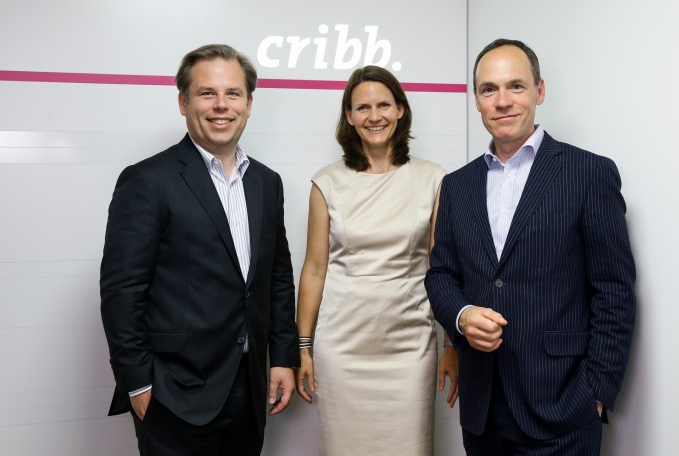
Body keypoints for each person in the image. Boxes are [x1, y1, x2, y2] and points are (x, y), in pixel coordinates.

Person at [425, 38, 636, 455]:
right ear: (477, 100)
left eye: (515, 87)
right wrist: (463, 316)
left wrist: (595, 391)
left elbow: (614, 290)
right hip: (483, 409)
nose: (502, 101)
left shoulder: (589, 172)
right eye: (489, 90)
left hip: (563, 409)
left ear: (539, 91)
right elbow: (441, 274)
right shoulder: (456, 185)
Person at [100, 44, 299, 456]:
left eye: (233, 94)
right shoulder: (147, 180)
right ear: (183, 101)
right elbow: (122, 291)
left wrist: (282, 357)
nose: (221, 105)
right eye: (207, 93)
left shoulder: (267, 182)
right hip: (175, 394)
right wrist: (139, 381)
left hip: (249, 387)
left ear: (249, 103)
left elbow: (277, 279)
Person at [295, 65, 459, 455]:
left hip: (409, 348)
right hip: (342, 348)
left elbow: (445, 269)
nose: (374, 116)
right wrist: (302, 346)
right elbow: (315, 269)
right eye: (363, 107)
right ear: (348, 116)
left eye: (384, 104)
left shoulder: (434, 179)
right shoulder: (327, 181)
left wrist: (453, 343)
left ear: (401, 109)